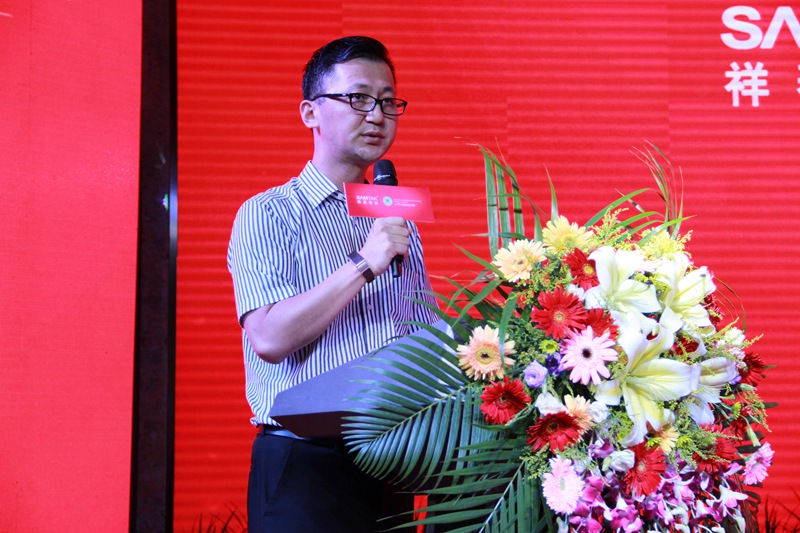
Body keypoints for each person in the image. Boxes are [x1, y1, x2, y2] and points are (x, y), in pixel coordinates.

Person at [227, 36, 439, 533]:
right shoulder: (269, 213)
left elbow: (418, 334)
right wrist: (364, 264)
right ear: (310, 113)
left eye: (388, 101)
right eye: (358, 98)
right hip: (306, 465)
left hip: (392, 460)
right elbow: (269, 337)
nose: (377, 115)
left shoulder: (393, 219)